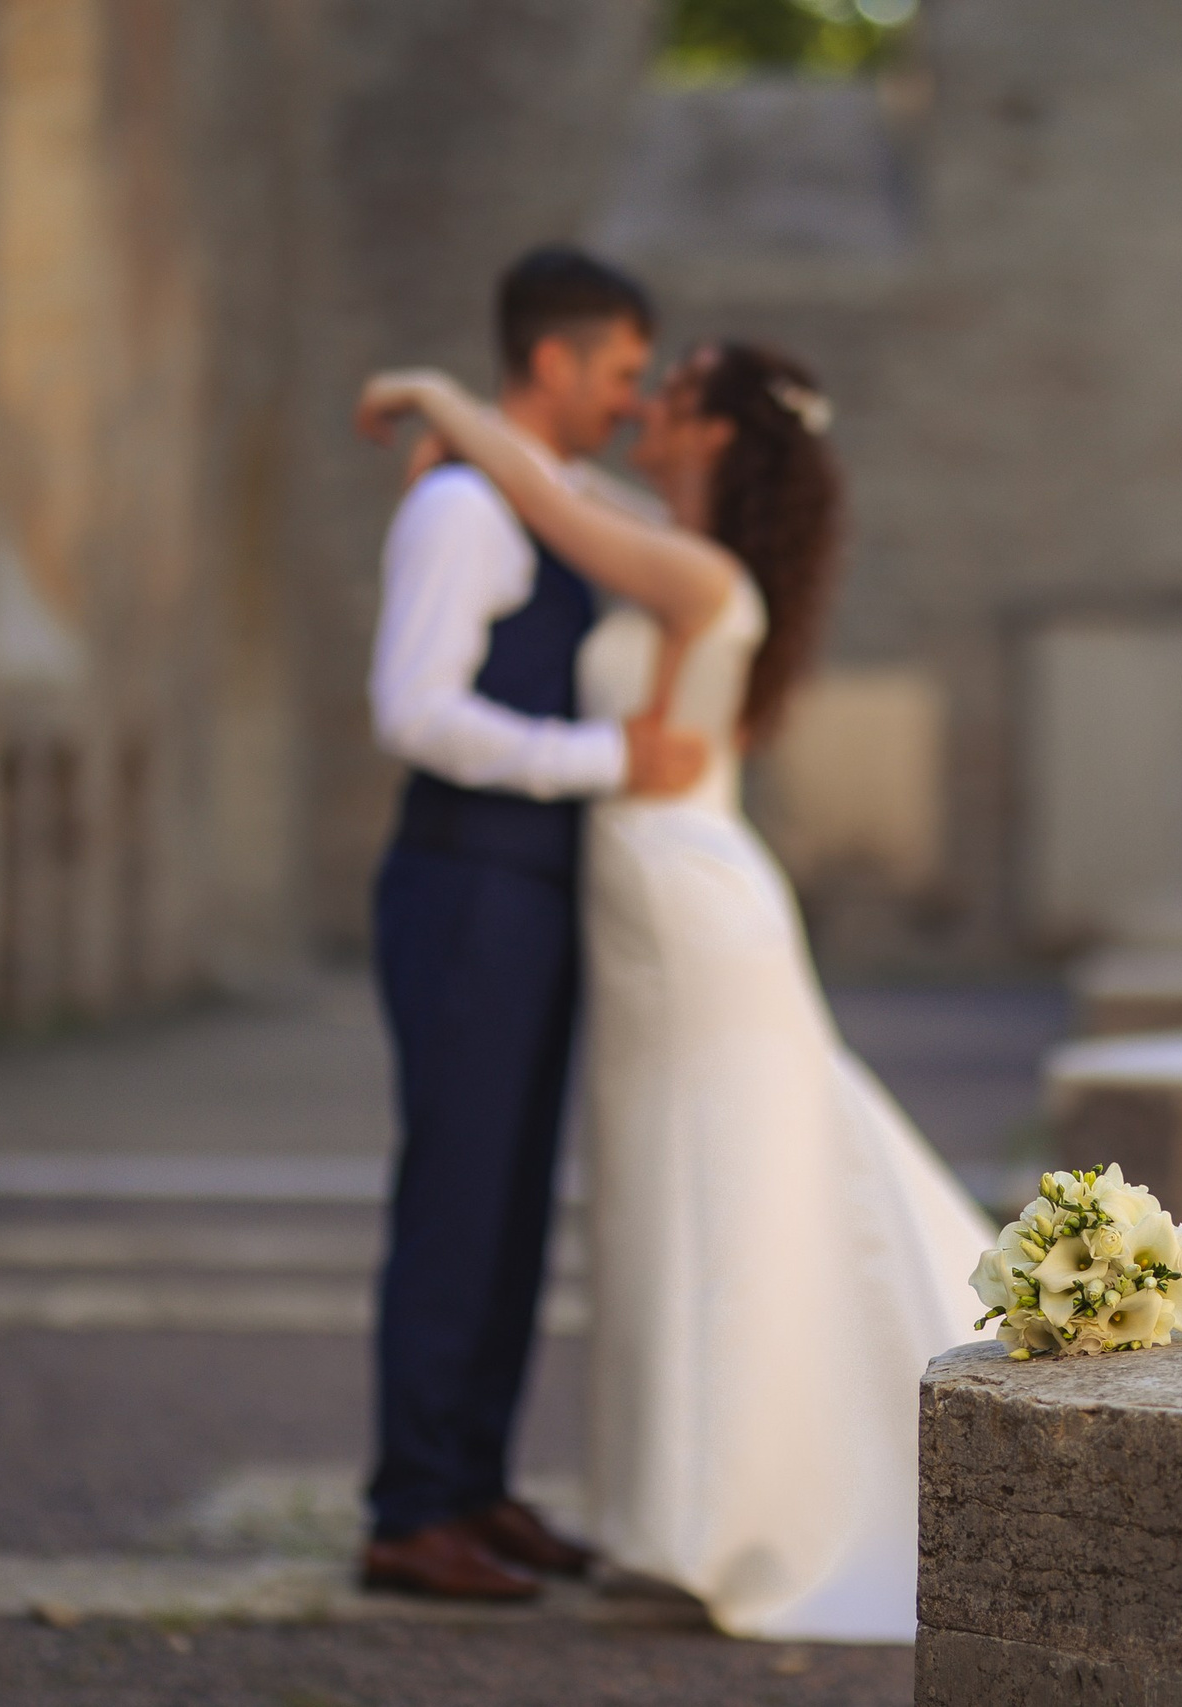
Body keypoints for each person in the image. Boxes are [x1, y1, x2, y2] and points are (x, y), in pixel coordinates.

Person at [357, 340, 995, 1641]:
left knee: (718, 1178)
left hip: (683, 893)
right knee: (660, 1192)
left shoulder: (695, 573)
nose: (646, 406)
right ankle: (668, 1510)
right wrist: (487, 443)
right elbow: (558, 495)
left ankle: (730, 1514)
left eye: (674, 389)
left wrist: (439, 404)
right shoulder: (665, 538)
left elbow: (546, 506)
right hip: (644, 881)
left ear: (710, 434)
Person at [359, 249, 712, 1603]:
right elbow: (414, 714)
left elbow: (629, 519)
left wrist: (446, 401)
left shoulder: (536, 496)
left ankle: (472, 1482)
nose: (632, 400)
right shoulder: (460, 513)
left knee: (509, 1198)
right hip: (465, 888)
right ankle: (410, 1507)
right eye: (624, 371)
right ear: (555, 362)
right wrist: (602, 761)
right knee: (457, 1193)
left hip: (528, 889)